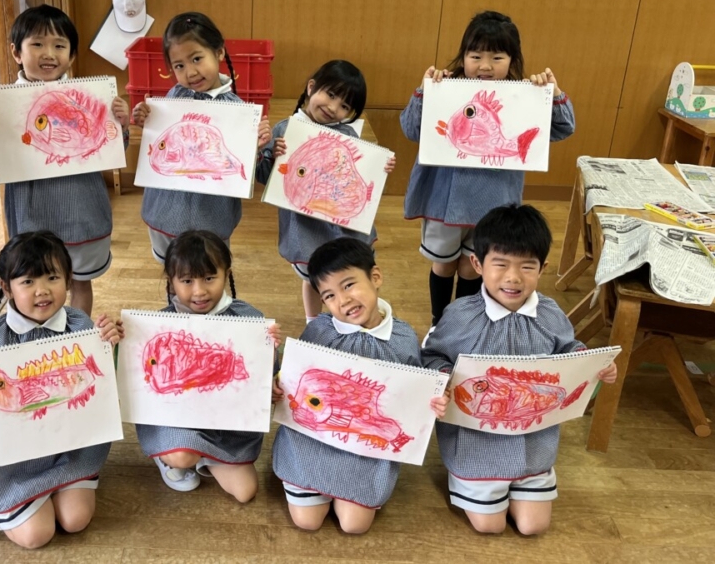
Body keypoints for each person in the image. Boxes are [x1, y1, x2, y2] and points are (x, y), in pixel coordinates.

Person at [421, 204, 617, 535]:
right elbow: (432, 355)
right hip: (476, 446)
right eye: (500, 264)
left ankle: (523, 479)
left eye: (527, 266)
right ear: (477, 264)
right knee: (489, 526)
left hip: (534, 443)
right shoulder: (459, 315)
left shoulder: (551, 314)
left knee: (533, 526)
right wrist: (442, 379)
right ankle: (467, 479)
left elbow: (568, 350)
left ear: (542, 268)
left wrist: (592, 365)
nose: (513, 277)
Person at [0, 231, 121, 549]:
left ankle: (64, 484)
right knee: (36, 535)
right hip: (15, 465)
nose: (42, 290)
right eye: (28, 281)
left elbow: (104, 384)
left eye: (52, 277)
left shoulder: (81, 325)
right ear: (6, 288)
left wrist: (113, 344)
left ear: (69, 279)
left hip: (70, 451)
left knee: (75, 520)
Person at [401, 10, 576, 325]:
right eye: (475, 56)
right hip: (444, 201)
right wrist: (424, 92)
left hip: (492, 205)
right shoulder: (446, 87)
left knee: (473, 267)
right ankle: (439, 322)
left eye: (497, 57)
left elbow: (564, 128)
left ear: (512, 60)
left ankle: (462, 323)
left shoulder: (522, 96)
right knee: (443, 264)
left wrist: (552, 94)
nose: (485, 65)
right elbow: (411, 130)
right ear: (463, 56)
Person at [271, 237, 448, 534]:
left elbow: (415, 388)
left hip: (366, 451)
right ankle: (306, 478)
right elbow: (296, 377)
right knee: (307, 521)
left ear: (375, 277)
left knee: (355, 526)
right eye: (329, 295)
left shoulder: (403, 337)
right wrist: (278, 384)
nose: (343, 300)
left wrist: (435, 397)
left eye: (349, 285)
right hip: (312, 444)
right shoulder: (319, 330)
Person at [0, 5, 129, 315]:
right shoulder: (3, 105)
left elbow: (110, 150)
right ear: (16, 52)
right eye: (37, 44)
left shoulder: (87, 98)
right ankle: (39, 336)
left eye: (59, 46)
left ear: (71, 55)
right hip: (33, 212)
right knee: (35, 284)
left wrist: (121, 126)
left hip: (82, 210)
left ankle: (78, 332)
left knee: (80, 281)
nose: (49, 54)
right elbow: (0, 164)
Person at [135, 231, 280, 502]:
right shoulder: (157, 327)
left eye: (209, 278)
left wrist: (269, 355)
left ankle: (203, 454)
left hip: (226, 427)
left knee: (245, 492)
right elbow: (140, 379)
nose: (200, 291)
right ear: (171, 282)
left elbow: (264, 380)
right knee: (181, 456)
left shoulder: (250, 320)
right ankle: (170, 456)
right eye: (187, 281)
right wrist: (117, 339)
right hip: (177, 419)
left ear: (227, 275)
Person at [255, 60, 394, 322]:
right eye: (330, 95)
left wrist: (380, 168)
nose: (333, 108)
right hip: (306, 227)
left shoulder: (348, 134)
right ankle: (313, 322)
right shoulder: (285, 130)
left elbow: (361, 175)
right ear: (311, 88)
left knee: (351, 272)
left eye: (345, 106)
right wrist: (266, 153)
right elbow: (265, 177)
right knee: (313, 276)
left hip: (345, 227)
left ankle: (359, 316)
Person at [131, 12, 271, 263]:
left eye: (197, 58)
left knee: (209, 271)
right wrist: (145, 118)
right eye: (179, 66)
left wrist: (257, 147)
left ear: (219, 52)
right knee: (172, 271)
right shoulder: (174, 96)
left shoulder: (238, 110)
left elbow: (247, 169)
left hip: (211, 221)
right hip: (165, 213)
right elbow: (160, 136)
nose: (191, 72)